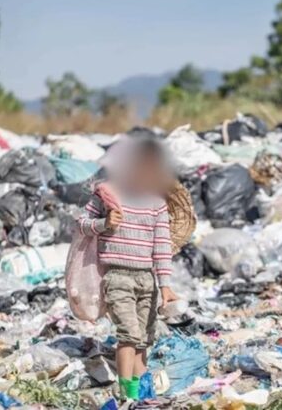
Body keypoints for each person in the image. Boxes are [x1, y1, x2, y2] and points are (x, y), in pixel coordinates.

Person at [77, 137, 178, 401]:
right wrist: (105, 224)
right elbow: (81, 224)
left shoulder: (157, 203)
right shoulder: (107, 195)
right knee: (129, 336)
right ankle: (127, 396)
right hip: (117, 276)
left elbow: (162, 245)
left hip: (147, 279)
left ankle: (143, 393)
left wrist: (165, 285)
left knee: (144, 338)